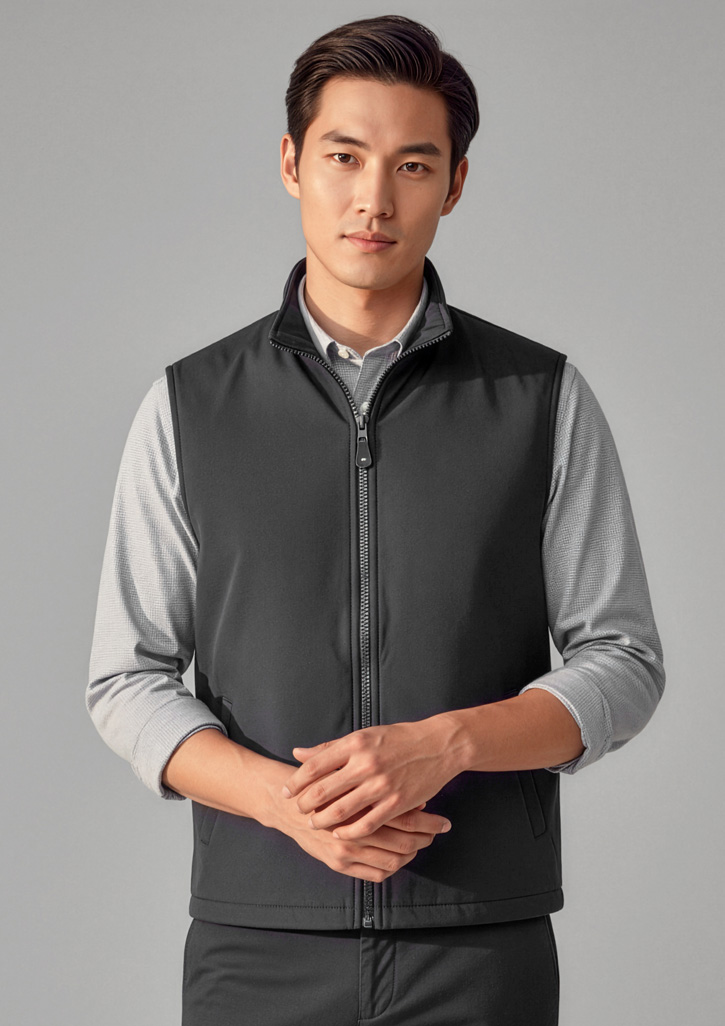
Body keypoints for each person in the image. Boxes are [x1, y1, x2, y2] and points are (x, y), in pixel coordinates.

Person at [86, 14, 665, 1026]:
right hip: (255, 946)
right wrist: (284, 805)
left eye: (412, 165)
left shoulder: (540, 397)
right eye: (344, 157)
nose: (373, 199)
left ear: (454, 184)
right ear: (290, 163)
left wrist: (450, 742)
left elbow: (621, 658)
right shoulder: (189, 404)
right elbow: (124, 679)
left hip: (478, 944)